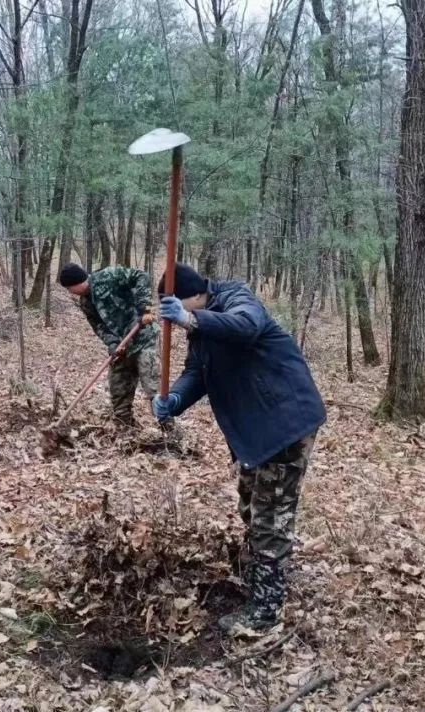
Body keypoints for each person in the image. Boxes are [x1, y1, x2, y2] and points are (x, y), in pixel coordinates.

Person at [151, 263, 325, 634]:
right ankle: (259, 577)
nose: (183, 319)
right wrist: (175, 399)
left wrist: (190, 320)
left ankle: (265, 611)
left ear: (196, 296)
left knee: (269, 516)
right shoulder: (199, 327)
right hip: (255, 431)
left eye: (184, 307)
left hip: (284, 421)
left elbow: (246, 328)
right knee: (250, 504)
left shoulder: (236, 299)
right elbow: (197, 372)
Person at [58, 263, 159, 427]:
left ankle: (167, 428)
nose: (70, 293)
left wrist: (144, 307)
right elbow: (99, 326)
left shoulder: (109, 276)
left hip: (143, 337)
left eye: (70, 288)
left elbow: (142, 276)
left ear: (77, 283)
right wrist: (112, 343)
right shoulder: (85, 302)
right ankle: (124, 426)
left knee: (152, 386)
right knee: (118, 384)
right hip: (122, 345)